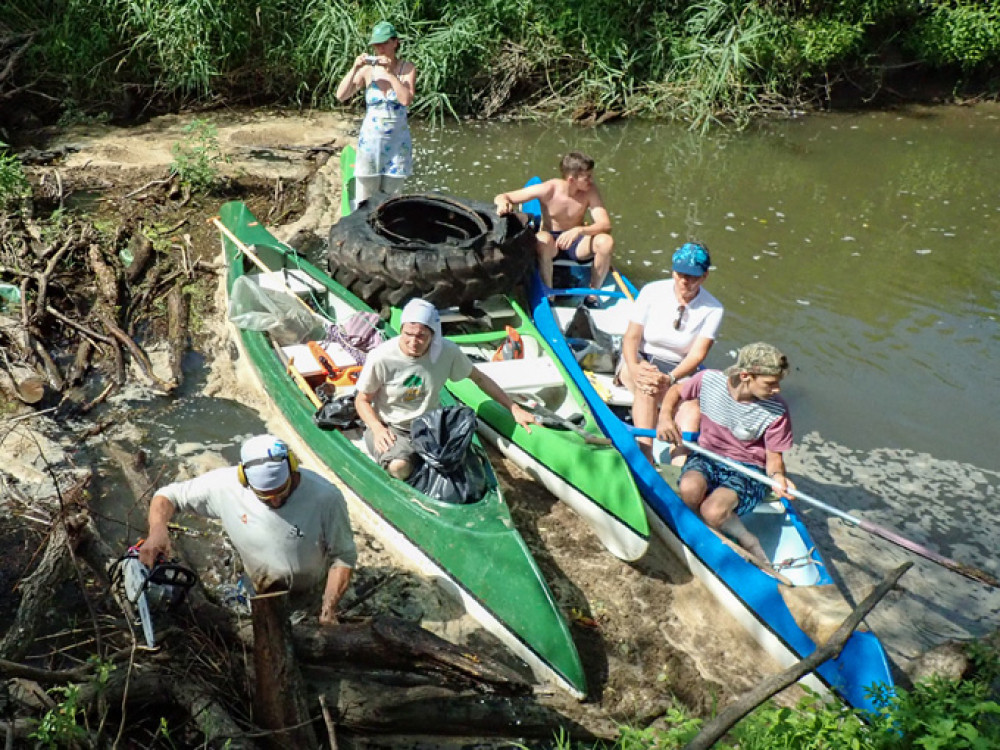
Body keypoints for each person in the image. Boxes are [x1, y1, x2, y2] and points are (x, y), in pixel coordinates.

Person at [139, 434, 357, 625]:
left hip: (307, 593)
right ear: (245, 479)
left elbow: (343, 556)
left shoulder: (325, 498)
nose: (275, 501)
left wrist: (328, 610)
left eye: (281, 491)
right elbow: (168, 496)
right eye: (265, 496)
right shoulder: (226, 486)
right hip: (256, 587)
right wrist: (157, 531)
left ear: (292, 468)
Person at [355, 298, 535, 480]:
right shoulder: (381, 357)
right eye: (408, 334)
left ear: (433, 335)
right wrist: (377, 428)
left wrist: (513, 408)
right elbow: (362, 400)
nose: (413, 342)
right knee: (399, 467)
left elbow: (479, 378)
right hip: (393, 427)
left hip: (430, 424)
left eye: (421, 336)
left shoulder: (447, 352)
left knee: (466, 467)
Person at [656, 342, 795, 564]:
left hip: (748, 469)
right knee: (689, 489)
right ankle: (705, 534)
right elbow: (674, 391)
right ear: (746, 375)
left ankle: (746, 540)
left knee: (712, 511)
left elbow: (774, 460)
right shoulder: (708, 380)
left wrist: (778, 478)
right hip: (708, 455)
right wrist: (665, 418)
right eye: (770, 383)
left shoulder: (777, 411)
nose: (777, 389)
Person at [619, 242, 724, 464]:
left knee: (692, 408)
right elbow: (631, 337)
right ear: (673, 272)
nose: (685, 281)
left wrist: (671, 378)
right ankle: (645, 452)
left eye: (693, 277)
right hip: (643, 360)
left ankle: (679, 465)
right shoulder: (652, 291)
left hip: (678, 370)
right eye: (681, 274)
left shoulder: (714, 309)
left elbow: (697, 356)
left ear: (704, 277)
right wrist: (635, 367)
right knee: (648, 383)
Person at [493, 151, 613, 305]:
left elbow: (605, 225)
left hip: (576, 242)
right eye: (587, 177)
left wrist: (579, 230)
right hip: (551, 243)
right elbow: (503, 196)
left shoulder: (590, 191)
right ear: (572, 179)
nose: (591, 180)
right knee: (541, 239)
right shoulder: (548, 188)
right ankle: (549, 295)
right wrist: (503, 203)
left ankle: (593, 294)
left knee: (606, 242)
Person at [335, 20, 416, 205]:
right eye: (376, 44)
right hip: (371, 142)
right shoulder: (367, 70)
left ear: (395, 42)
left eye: (384, 43)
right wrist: (355, 67)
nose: (380, 48)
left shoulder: (407, 69)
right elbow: (341, 95)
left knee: (393, 200)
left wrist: (390, 74)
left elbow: (405, 100)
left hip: (397, 144)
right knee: (365, 198)